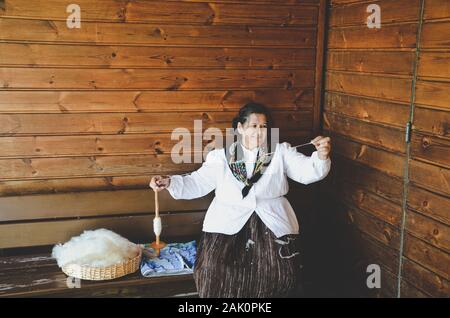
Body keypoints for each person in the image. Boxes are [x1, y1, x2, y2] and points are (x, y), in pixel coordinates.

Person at [150, 102, 331, 297]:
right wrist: (169, 183)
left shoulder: (280, 151)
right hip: (228, 223)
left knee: (281, 274)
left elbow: (306, 172)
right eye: (254, 126)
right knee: (213, 271)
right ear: (240, 128)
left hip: (271, 222)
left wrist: (321, 156)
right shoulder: (222, 155)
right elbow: (198, 182)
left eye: (263, 126)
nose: (259, 131)